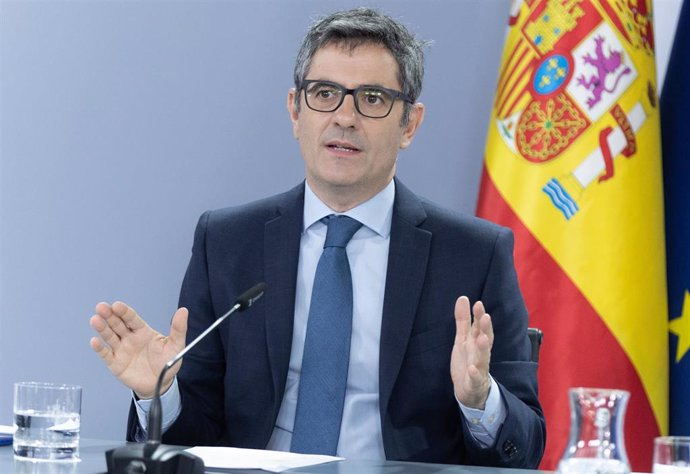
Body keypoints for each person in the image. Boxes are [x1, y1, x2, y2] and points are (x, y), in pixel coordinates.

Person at [89, 7, 545, 468]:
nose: (344, 117)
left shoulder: (473, 254)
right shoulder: (227, 242)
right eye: (325, 93)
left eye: (372, 98)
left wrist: (479, 400)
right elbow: (195, 439)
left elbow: (526, 449)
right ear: (295, 110)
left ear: (409, 124)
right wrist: (161, 392)